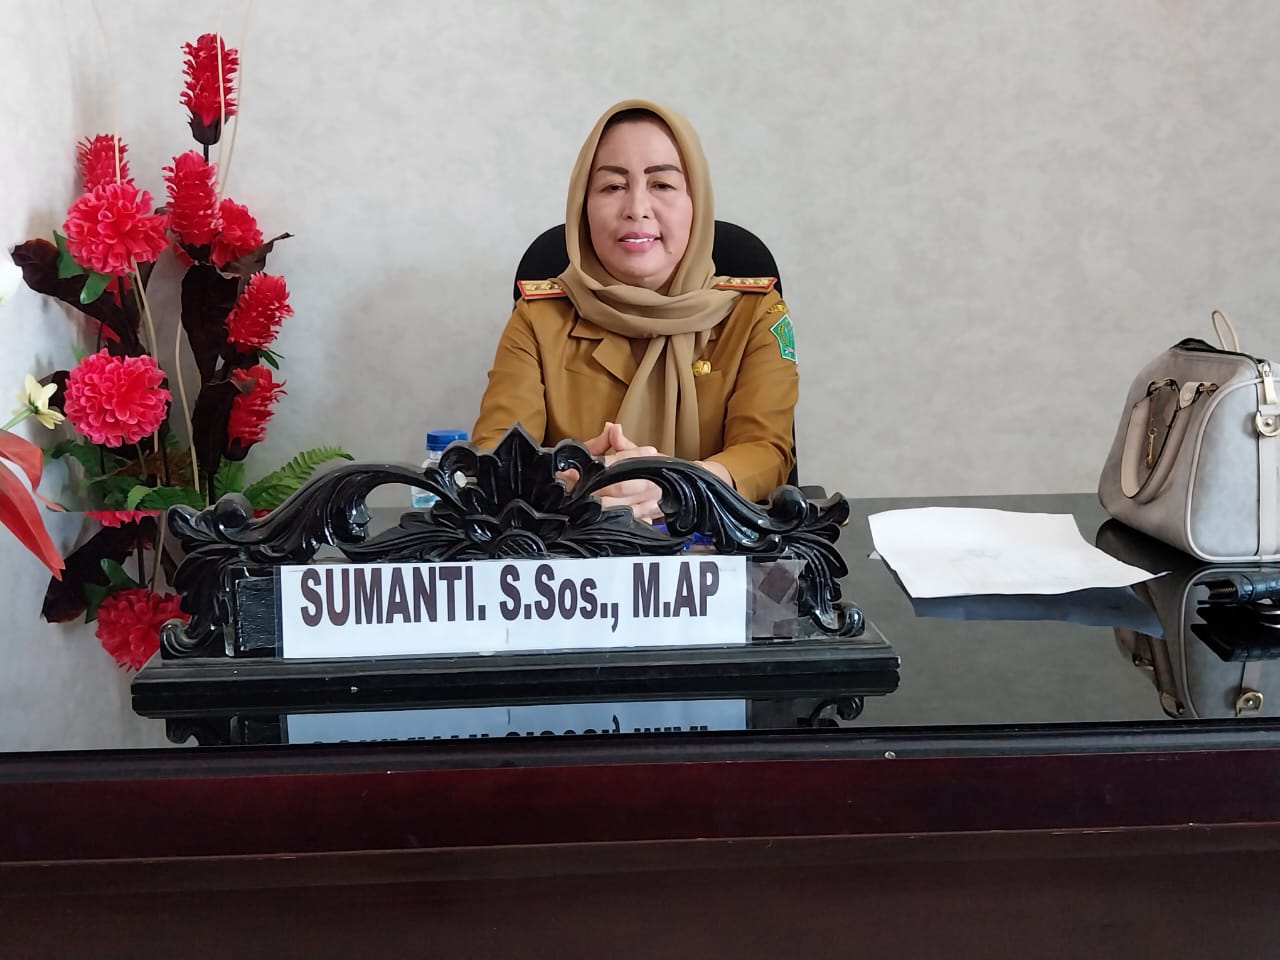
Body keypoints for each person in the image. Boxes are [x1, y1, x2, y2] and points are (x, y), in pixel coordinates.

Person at [471, 98, 798, 517]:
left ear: (696, 202)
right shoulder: (538, 317)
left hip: (716, 548)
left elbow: (766, 451)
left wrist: (678, 487)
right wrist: (566, 476)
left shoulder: (754, 313)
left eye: (662, 185)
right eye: (612, 187)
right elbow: (496, 454)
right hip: (574, 548)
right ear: (582, 206)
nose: (637, 209)